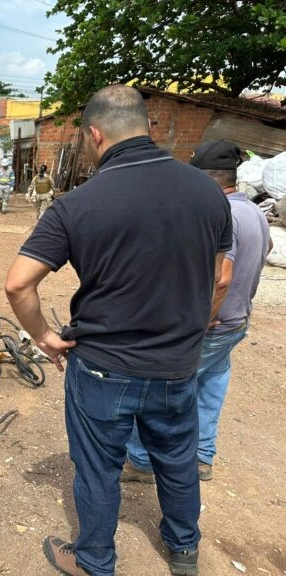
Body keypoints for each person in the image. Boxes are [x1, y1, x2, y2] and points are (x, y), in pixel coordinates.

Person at [4, 85, 232, 576]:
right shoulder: (209, 193)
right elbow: (221, 278)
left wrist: (44, 336)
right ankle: (184, 550)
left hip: (104, 367)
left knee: (98, 467)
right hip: (176, 365)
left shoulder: (76, 204)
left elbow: (18, 284)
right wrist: (192, 331)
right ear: (149, 126)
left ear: (95, 133)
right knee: (176, 459)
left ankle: (95, 560)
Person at [123, 141, 272, 485]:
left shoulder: (224, 214)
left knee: (154, 392)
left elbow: (222, 279)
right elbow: (267, 248)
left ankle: (142, 461)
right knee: (209, 387)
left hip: (212, 325)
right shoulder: (251, 211)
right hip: (236, 322)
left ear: (206, 179)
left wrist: (202, 320)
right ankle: (202, 457)